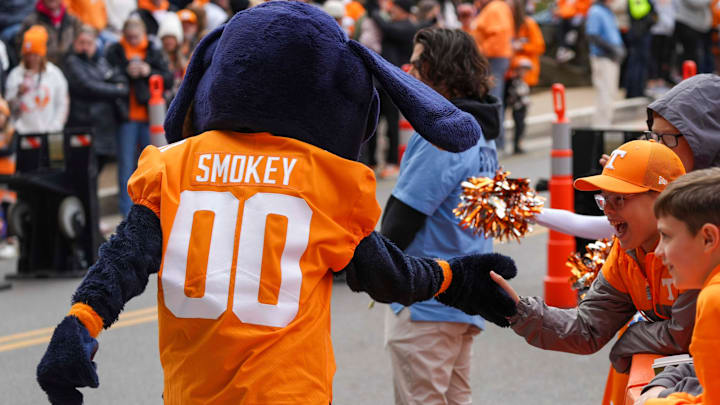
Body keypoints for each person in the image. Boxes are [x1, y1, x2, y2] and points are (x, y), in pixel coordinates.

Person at [35, 3, 518, 403]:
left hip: (191, 392)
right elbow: (386, 274)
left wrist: (81, 321)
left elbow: (125, 258)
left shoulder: (172, 166)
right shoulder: (324, 179)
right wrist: (456, 278)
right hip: (289, 390)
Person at [492, 140, 698, 403]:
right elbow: (587, 329)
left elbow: (684, 335)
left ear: (664, 199)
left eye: (620, 199)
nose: (609, 211)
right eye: (604, 200)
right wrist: (518, 310)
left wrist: (629, 339)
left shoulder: (700, 249)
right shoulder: (625, 254)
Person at [383, 27, 501, 405]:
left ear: (440, 71)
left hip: (427, 297)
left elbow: (402, 218)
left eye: (417, 64)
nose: (409, 71)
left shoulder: (442, 131)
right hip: (465, 294)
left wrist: (371, 268)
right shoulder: (482, 129)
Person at [636, 168, 720, 405]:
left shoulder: (714, 298)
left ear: (708, 239)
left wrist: (653, 401)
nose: (658, 252)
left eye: (667, 236)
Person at [105, 16, 172, 217]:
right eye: (130, 37)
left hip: (151, 117)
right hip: (126, 117)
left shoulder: (152, 51)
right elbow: (107, 75)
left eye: (136, 37)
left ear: (143, 34)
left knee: (153, 164)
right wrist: (125, 74)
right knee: (126, 166)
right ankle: (127, 214)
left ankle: (154, 210)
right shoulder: (115, 50)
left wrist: (148, 71)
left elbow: (167, 77)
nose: (133, 40)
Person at [367, 0, 425, 178]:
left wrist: (374, 11)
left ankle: (392, 162)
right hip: (380, 80)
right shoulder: (394, 24)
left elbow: (387, 28)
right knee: (374, 123)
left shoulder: (408, 27)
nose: (392, 11)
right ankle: (373, 163)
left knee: (392, 124)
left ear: (404, 10)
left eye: (396, 8)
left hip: (394, 82)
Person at [64, 25, 128, 171]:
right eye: (81, 42)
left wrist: (113, 88)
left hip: (104, 126)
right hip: (84, 124)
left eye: (89, 43)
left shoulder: (101, 62)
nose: (85, 47)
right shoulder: (72, 62)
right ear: (75, 43)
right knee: (85, 170)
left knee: (99, 166)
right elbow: (87, 86)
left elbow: (121, 81)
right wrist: (115, 89)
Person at [5, 25, 69, 135]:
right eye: (28, 55)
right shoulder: (16, 75)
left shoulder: (54, 74)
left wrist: (56, 126)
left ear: (42, 54)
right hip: (23, 133)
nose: (31, 59)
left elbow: (63, 103)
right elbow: (8, 108)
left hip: (51, 132)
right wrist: (18, 93)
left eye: (35, 55)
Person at [470, 0, 514, 151]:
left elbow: (497, 36)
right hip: (493, 57)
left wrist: (480, 53)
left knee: (492, 99)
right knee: (492, 98)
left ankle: (496, 141)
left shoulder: (495, 8)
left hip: (493, 58)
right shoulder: (494, 7)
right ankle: (496, 140)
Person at [505, 0, 544, 154]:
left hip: (524, 77)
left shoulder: (528, 24)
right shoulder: (505, 25)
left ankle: (517, 143)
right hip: (508, 75)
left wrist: (521, 47)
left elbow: (539, 46)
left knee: (520, 112)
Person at [585, 0, 625, 127]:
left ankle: (606, 122)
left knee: (610, 92)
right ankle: (601, 125)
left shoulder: (607, 11)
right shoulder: (596, 11)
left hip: (611, 57)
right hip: (603, 57)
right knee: (604, 93)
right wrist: (611, 50)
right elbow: (592, 35)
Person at [16, 0, 82, 68]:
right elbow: (20, 47)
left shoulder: (71, 19)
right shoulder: (32, 21)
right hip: (42, 69)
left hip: (68, 67)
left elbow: (81, 35)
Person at [156, 13, 186, 100]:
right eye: (166, 37)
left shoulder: (183, 59)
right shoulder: (157, 58)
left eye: (172, 38)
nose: (169, 41)